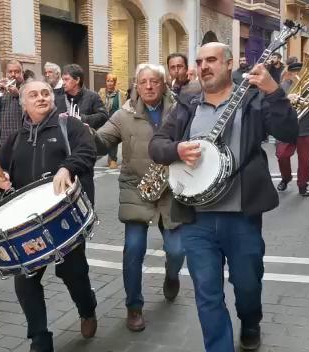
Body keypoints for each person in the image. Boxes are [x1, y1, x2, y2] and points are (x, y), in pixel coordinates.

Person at [148, 42, 298, 351]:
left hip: (241, 215)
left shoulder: (253, 99)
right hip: (196, 219)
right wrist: (176, 149)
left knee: (247, 284)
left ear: (228, 64)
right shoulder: (187, 104)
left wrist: (274, 91)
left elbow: (288, 132)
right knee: (207, 293)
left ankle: (250, 320)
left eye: (212, 60)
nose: (204, 66)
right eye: (200, 61)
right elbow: (157, 143)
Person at [0, 80, 98, 352]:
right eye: (33, 95)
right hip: (29, 226)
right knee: (25, 281)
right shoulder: (15, 138)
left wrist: (67, 168)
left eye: (46, 93)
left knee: (74, 273)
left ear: (53, 97)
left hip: (64, 218)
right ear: (23, 102)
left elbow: (88, 150)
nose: (41, 98)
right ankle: (39, 338)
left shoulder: (68, 126)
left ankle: (87, 309)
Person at [93, 64, 184, 332]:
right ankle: (134, 306)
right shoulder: (124, 114)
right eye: (142, 81)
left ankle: (172, 274)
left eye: (154, 81)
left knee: (177, 250)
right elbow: (101, 140)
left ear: (163, 84)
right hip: (137, 188)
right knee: (134, 249)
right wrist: (82, 133)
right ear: (136, 85)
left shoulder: (180, 111)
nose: (148, 86)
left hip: (171, 189)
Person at [275, 62, 309, 196]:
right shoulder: (282, 87)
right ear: (289, 74)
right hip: (287, 128)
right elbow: (273, 106)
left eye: (300, 73)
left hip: (307, 128)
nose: (297, 76)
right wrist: (286, 99)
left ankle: (303, 185)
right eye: (294, 73)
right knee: (282, 155)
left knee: (305, 160)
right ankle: (286, 178)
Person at [57, 64, 108, 129]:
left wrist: (81, 118)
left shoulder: (92, 96)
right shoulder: (59, 97)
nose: (63, 83)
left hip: (85, 137)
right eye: (62, 80)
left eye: (66, 79)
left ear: (77, 80)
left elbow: (104, 116)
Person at [98, 73, 127, 169]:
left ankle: (113, 159)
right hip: (104, 120)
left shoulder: (121, 94)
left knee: (114, 139)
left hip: (116, 120)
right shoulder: (101, 93)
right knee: (104, 138)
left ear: (115, 83)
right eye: (108, 81)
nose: (110, 83)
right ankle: (109, 157)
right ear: (106, 82)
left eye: (112, 81)